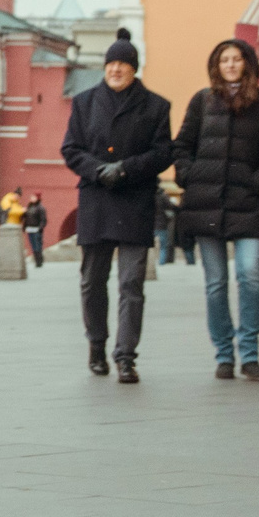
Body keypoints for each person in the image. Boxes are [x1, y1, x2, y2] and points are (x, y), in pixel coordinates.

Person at [60, 29, 175, 384]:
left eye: (123, 64)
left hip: (135, 201)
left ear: (134, 69)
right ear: (104, 67)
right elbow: (71, 149)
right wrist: (97, 170)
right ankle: (96, 344)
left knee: (131, 283)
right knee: (92, 281)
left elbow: (162, 153)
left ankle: (126, 356)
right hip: (96, 199)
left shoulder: (156, 106)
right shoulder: (84, 102)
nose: (116, 70)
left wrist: (125, 168)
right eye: (111, 63)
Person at [173, 37, 259, 381]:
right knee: (216, 282)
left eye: (237, 59)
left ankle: (249, 354)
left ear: (248, 64)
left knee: (249, 275)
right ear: (216, 66)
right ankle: (224, 355)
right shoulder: (202, 102)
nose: (231, 65)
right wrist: (189, 176)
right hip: (205, 204)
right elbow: (182, 145)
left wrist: (255, 183)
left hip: (247, 205)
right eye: (225, 60)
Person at [22, 193, 47, 267]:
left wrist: (40, 228)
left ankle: (39, 261)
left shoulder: (40, 208)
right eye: (31, 197)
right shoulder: (29, 207)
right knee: (33, 245)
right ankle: (37, 261)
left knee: (37, 245)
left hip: (36, 229)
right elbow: (25, 218)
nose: (31, 198)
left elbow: (43, 219)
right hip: (30, 229)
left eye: (33, 197)